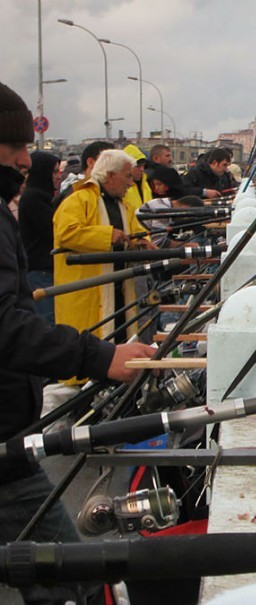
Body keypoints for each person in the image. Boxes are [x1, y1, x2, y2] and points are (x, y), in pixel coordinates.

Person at [0, 80, 154, 605]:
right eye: (15, 147)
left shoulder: (121, 198)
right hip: (6, 448)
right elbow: (7, 323)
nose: (26, 160)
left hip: (12, 429)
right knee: (75, 577)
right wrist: (100, 357)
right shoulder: (74, 199)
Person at [53, 149, 156, 351]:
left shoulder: (122, 206)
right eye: (127, 176)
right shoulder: (78, 199)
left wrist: (143, 242)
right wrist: (107, 236)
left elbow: (138, 232)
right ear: (110, 175)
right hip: (87, 295)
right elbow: (66, 234)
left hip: (119, 294)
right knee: (86, 351)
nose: (130, 183)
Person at [18, 150, 60, 322]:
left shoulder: (41, 196)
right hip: (40, 272)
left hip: (44, 271)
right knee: (47, 321)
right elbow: (54, 231)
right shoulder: (33, 198)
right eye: (54, 171)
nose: (58, 176)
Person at [54, 140, 114, 208]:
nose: (114, 167)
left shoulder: (114, 194)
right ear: (90, 162)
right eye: (107, 161)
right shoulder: (75, 196)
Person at [122, 143, 152, 209]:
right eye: (138, 166)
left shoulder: (145, 186)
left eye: (143, 166)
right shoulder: (121, 187)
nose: (142, 169)